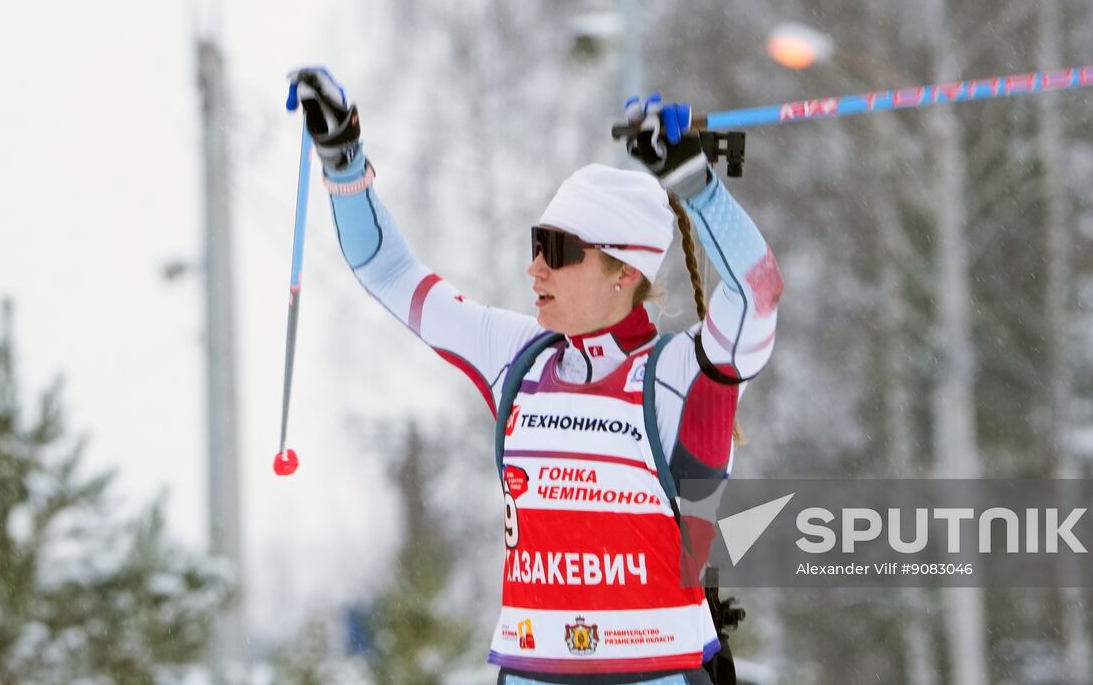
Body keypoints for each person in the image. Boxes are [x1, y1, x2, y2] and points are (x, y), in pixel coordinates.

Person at [288, 68, 782, 685]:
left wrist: (696, 184)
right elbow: (389, 272)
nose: (535, 268)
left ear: (623, 271)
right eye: (536, 242)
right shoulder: (518, 358)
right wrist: (342, 157)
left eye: (558, 249)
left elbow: (756, 297)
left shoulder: (681, 374)